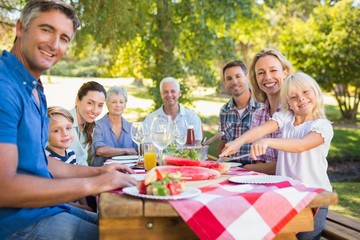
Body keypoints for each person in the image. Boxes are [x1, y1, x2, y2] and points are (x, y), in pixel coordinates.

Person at [0, 1, 137, 239]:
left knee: (130, 222)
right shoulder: (4, 86)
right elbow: (4, 188)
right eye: (46, 29)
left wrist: (100, 173)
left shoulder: (34, 86)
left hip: (44, 209)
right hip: (17, 224)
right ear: (20, 28)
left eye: (64, 38)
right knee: (129, 235)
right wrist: (94, 185)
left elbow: (40, 161)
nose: (54, 44)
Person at [220, 72, 333, 239]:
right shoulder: (287, 117)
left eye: (306, 92)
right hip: (288, 196)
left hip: (314, 198)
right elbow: (261, 130)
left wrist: (268, 142)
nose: (301, 99)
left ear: (315, 91)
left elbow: (301, 145)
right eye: (293, 96)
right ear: (288, 102)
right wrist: (238, 142)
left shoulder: (322, 126)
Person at [245, 48, 294, 174]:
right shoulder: (258, 115)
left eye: (273, 70)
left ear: (285, 72)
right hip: (267, 184)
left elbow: (292, 165)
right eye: (261, 73)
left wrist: (245, 168)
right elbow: (258, 159)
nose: (267, 77)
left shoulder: (296, 110)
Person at [46, 106, 93, 212]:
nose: (65, 134)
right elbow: (57, 198)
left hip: (78, 205)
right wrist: (83, 208)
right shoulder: (48, 160)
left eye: (68, 128)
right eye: (56, 130)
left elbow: (77, 184)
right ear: (45, 134)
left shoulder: (71, 154)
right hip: (62, 209)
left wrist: (86, 205)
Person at [217, 60, 260, 164]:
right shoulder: (225, 110)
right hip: (231, 168)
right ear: (225, 82)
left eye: (238, 76)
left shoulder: (261, 107)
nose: (234, 82)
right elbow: (222, 143)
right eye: (229, 78)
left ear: (247, 77)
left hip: (256, 168)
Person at [143, 77, 203, 144]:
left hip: (185, 155)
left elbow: (197, 145)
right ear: (161, 94)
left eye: (173, 91)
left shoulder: (192, 117)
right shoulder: (151, 119)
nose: (169, 95)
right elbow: (146, 146)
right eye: (165, 92)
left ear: (179, 93)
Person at [92, 86, 138, 166]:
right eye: (114, 102)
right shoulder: (97, 126)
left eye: (121, 102)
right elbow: (100, 150)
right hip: (103, 173)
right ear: (107, 104)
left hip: (129, 172)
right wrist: (125, 150)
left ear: (125, 105)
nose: (118, 105)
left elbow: (139, 151)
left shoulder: (131, 128)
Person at [69, 81, 107, 166]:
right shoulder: (62, 122)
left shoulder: (89, 126)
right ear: (77, 100)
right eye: (90, 103)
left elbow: (82, 161)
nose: (95, 111)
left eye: (100, 105)